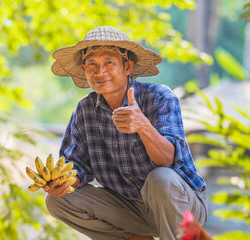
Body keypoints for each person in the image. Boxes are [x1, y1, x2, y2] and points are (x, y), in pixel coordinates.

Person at [44, 26, 208, 240]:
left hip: (182, 207)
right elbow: (76, 166)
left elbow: (167, 159)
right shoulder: (85, 110)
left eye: (109, 62)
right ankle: (134, 238)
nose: (100, 72)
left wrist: (143, 126)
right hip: (130, 210)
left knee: (161, 178)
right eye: (92, 64)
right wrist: (64, 183)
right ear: (84, 69)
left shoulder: (159, 98)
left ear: (127, 66)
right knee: (57, 201)